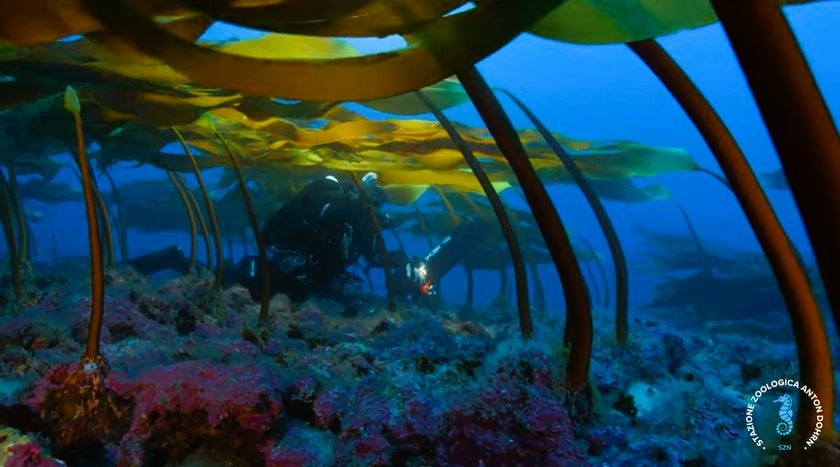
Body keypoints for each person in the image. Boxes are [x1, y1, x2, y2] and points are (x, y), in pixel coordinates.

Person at [130, 172, 487, 313]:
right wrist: (355, 201)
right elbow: (318, 223)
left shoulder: (362, 227)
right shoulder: (341, 209)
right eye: (375, 197)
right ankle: (172, 258)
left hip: (312, 282)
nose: (378, 206)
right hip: (282, 274)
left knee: (351, 296)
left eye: (379, 200)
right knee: (218, 281)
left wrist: (406, 268)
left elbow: (375, 257)